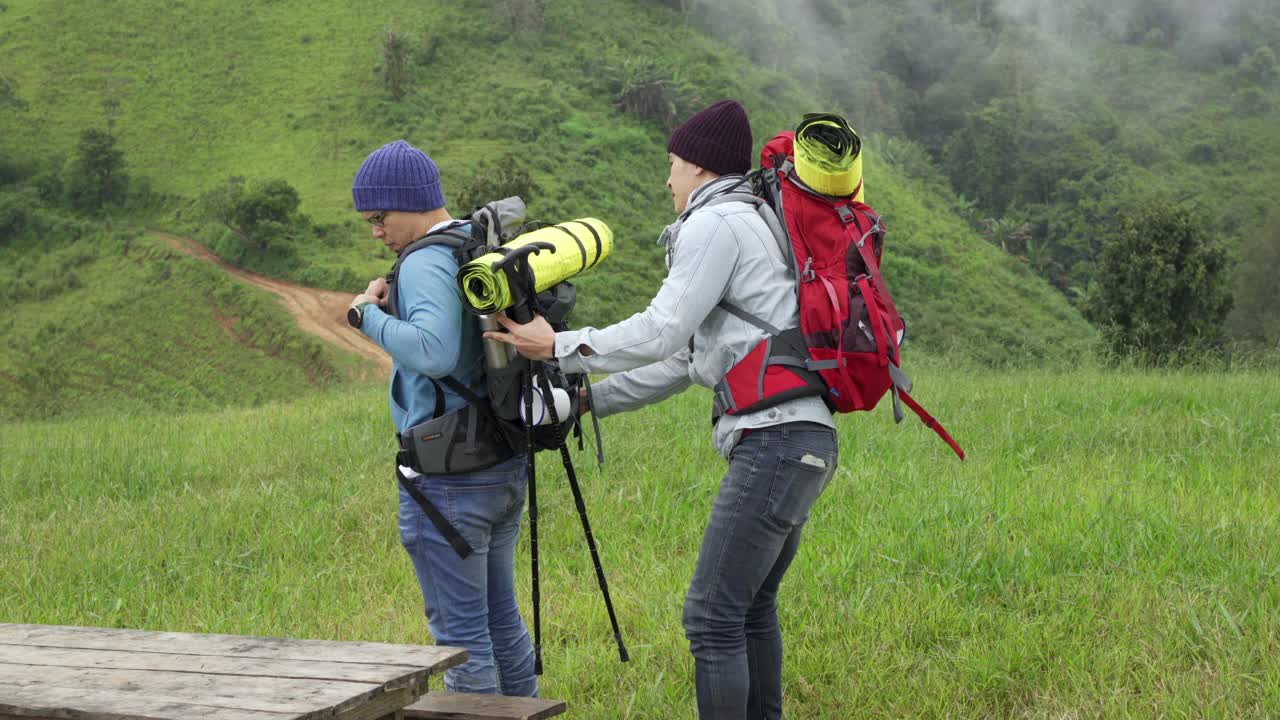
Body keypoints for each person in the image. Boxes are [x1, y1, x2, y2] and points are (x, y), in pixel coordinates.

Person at [486, 101, 839, 719]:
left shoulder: (717, 224)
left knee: (710, 617)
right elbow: (688, 362)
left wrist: (557, 347)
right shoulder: (756, 219)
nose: (666, 180)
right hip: (805, 438)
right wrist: (587, 399)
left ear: (698, 167)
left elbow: (661, 331)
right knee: (749, 608)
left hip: (774, 442)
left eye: (672, 165)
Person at [346, 139, 537, 698]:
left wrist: (365, 317)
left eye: (379, 218)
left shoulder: (426, 260)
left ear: (410, 203)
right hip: (499, 460)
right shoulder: (471, 242)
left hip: (449, 476)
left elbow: (432, 351)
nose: (376, 231)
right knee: (502, 624)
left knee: (462, 641)